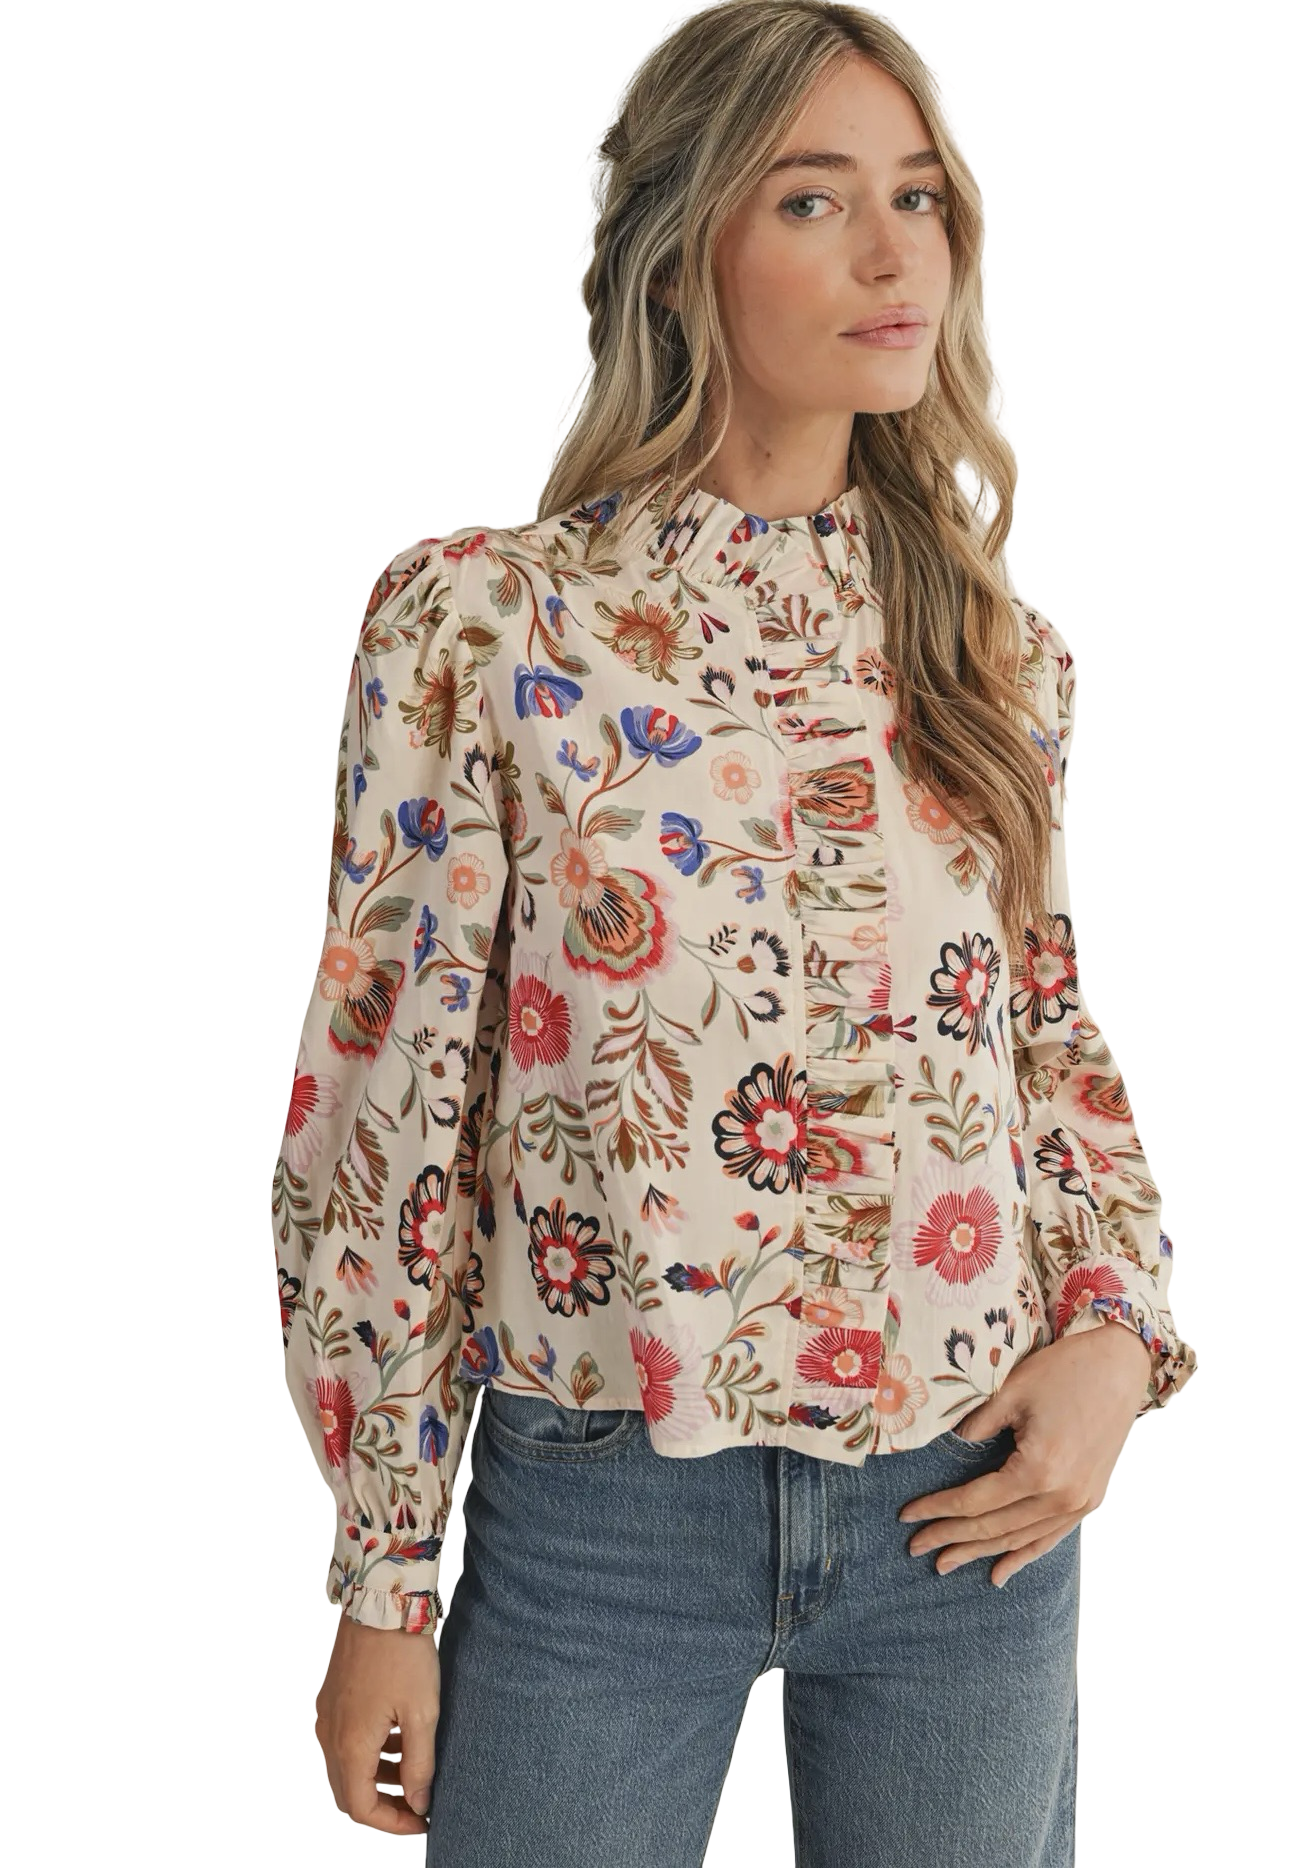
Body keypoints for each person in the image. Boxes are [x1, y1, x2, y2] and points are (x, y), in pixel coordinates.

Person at [269, 4, 1198, 1861]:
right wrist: (384, 1574)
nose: (893, 257)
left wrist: (1114, 1334)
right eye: (812, 199)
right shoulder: (487, 627)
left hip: (968, 1507)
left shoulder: (991, 653)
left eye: (918, 199)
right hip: (605, 1508)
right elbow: (392, 1114)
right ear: (679, 252)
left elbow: (1037, 1035)